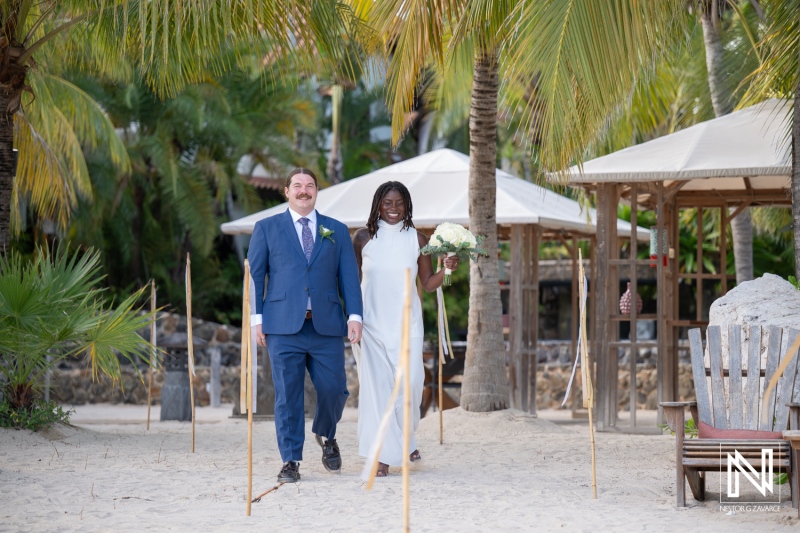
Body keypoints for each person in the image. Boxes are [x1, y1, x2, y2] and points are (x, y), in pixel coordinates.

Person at [248, 168, 363, 483]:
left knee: (334, 389)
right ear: (286, 191)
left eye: (309, 186)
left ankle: (326, 434)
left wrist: (355, 316)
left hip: (326, 325)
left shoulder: (336, 230)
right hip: (282, 327)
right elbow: (255, 278)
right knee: (287, 395)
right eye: (297, 185)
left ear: (316, 192)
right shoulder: (266, 228)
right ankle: (290, 461)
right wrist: (256, 320)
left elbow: (349, 278)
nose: (303, 191)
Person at [352, 181, 459, 477]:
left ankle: (407, 439)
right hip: (371, 327)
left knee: (410, 387)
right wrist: (352, 318)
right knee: (380, 392)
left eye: (399, 203)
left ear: (407, 206)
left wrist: (448, 272)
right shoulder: (362, 238)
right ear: (377, 205)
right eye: (387, 203)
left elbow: (428, 283)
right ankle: (383, 457)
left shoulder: (417, 238)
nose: (393, 209)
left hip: (407, 327)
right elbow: (351, 284)